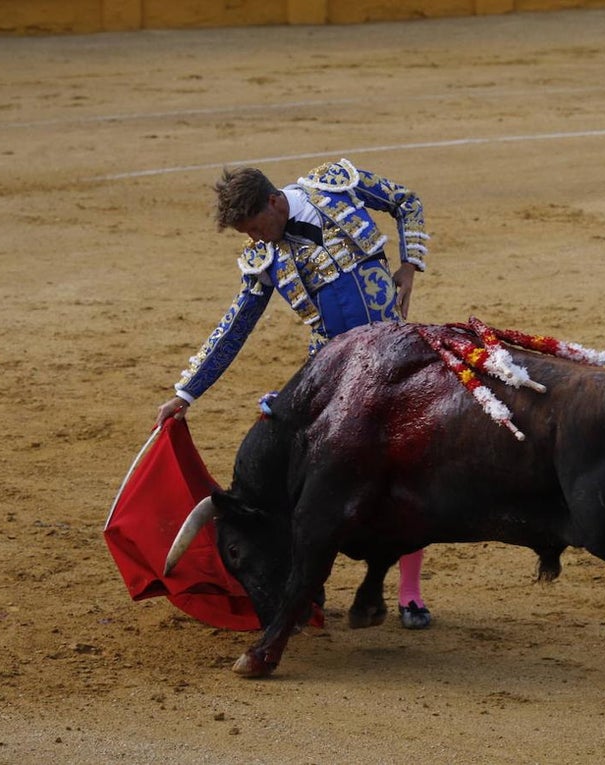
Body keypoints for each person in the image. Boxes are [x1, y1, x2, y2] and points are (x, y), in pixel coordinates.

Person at [155, 157, 433, 629]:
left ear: (275, 201)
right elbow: (236, 325)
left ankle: (409, 593)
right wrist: (186, 393)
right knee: (296, 466)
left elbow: (406, 201)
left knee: (413, 462)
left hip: (392, 354)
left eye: (255, 227)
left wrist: (408, 265)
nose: (254, 239)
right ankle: (306, 584)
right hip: (328, 369)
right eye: (245, 233)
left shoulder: (335, 186)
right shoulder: (265, 258)